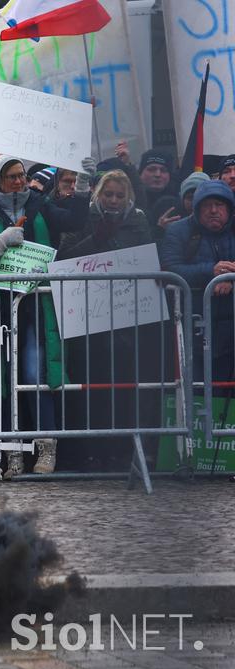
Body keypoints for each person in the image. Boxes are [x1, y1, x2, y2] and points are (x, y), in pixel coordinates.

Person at [0, 155, 89, 476]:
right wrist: (1, 243)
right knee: (2, 379)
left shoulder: (39, 204)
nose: (19, 181)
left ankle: (46, 448)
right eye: (11, 177)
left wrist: (83, 187)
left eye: (21, 175)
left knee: (35, 374)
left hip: (35, 306)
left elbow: (74, 222)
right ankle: (11, 455)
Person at [57, 171, 162, 471]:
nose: (114, 200)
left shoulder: (139, 220)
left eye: (119, 195)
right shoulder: (83, 217)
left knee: (126, 387)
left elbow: (149, 259)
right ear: (98, 194)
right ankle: (94, 451)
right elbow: (64, 258)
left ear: (128, 196)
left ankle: (122, 451)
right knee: (93, 387)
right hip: (89, 322)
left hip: (130, 321)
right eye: (108, 195)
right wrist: (96, 238)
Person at [161, 180, 235, 380]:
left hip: (231, 330)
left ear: (229, 208)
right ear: (196, 208)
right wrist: (211, 272)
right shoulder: (177, 231)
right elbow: (170, 269)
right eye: (206, 205)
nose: (213, 210)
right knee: (196, 392)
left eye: (219, 205)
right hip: (192, 328)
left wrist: (230, 279)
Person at [154, 171, 210, 243]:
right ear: (182, 200)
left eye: (200, 197)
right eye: (190, 198)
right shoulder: (173, 223)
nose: (194, 202)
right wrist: (161, 231)